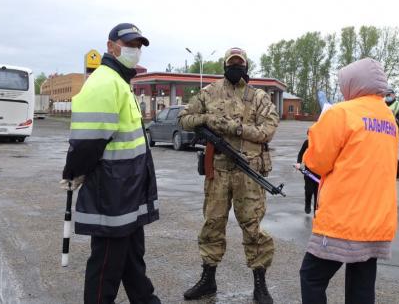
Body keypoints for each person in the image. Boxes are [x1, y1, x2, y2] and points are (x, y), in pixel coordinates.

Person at [60, 23, 161, 304]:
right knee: (105, 268)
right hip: (113, 195)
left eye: (138, 45)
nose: (135, 50)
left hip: (128, 191)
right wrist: (74, 171)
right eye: (129, 44)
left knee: (132, 262)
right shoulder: (104, 81)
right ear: (111, 46)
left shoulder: (120, 82)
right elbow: (88, 140)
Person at [179, 47, 279, 304]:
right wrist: (209, 119)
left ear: (246, 67)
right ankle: (208, 280)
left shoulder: (258, 97)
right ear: (225, 66)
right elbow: (184, 119)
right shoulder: (209, 92)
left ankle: (260, 284)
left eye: (240, 63)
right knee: (212, 224)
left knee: (253, 228)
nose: (236, 67)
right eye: (232, 63)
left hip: (249, 172)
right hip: (218, 172)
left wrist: (235, 128)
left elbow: (267, 130)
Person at [299, 58, 398, 304]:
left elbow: (315, 163)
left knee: (311, 277)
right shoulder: (389, 119)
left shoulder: (341, 113)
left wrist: (319, 129)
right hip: (376, 220)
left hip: (343, 218)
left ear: (354, 83)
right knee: (361, 287)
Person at [385, 88, 399, 179]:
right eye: (386, 95)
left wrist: (391, 117)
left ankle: (397, 173)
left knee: (392, 152)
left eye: (389, 94)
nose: (388, 96)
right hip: (383, 131)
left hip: (394, 131)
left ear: (394, 95)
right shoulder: (382, 104)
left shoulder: (398, 105)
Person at [294, 138, 319, 214]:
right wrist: (298, 162)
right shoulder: (308, 142)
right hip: (309, 171)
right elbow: (301, 153)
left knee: (317, 193)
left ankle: (316, 211)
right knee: (309, 190)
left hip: (320, 172)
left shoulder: (324, 141)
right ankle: (307, 204)